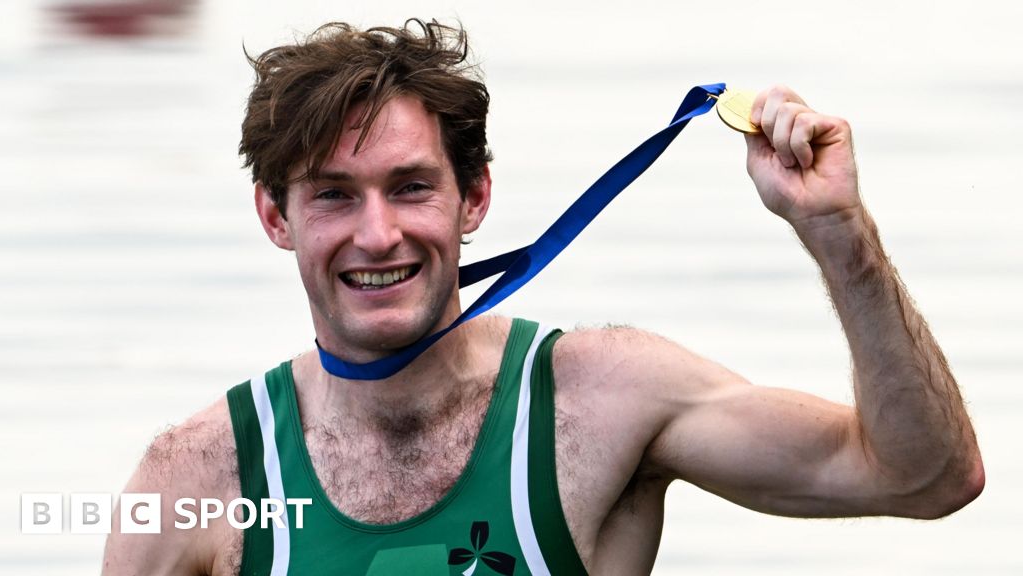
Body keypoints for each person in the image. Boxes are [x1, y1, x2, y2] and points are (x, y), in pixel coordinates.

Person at [101, 19, 984, 576]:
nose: (377, 235)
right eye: (334, 194)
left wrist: (837, 231)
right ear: (275, 216)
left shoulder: (604, 401)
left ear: (474, 197)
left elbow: (925, 476)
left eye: (411, 186)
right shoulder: (195, 482)